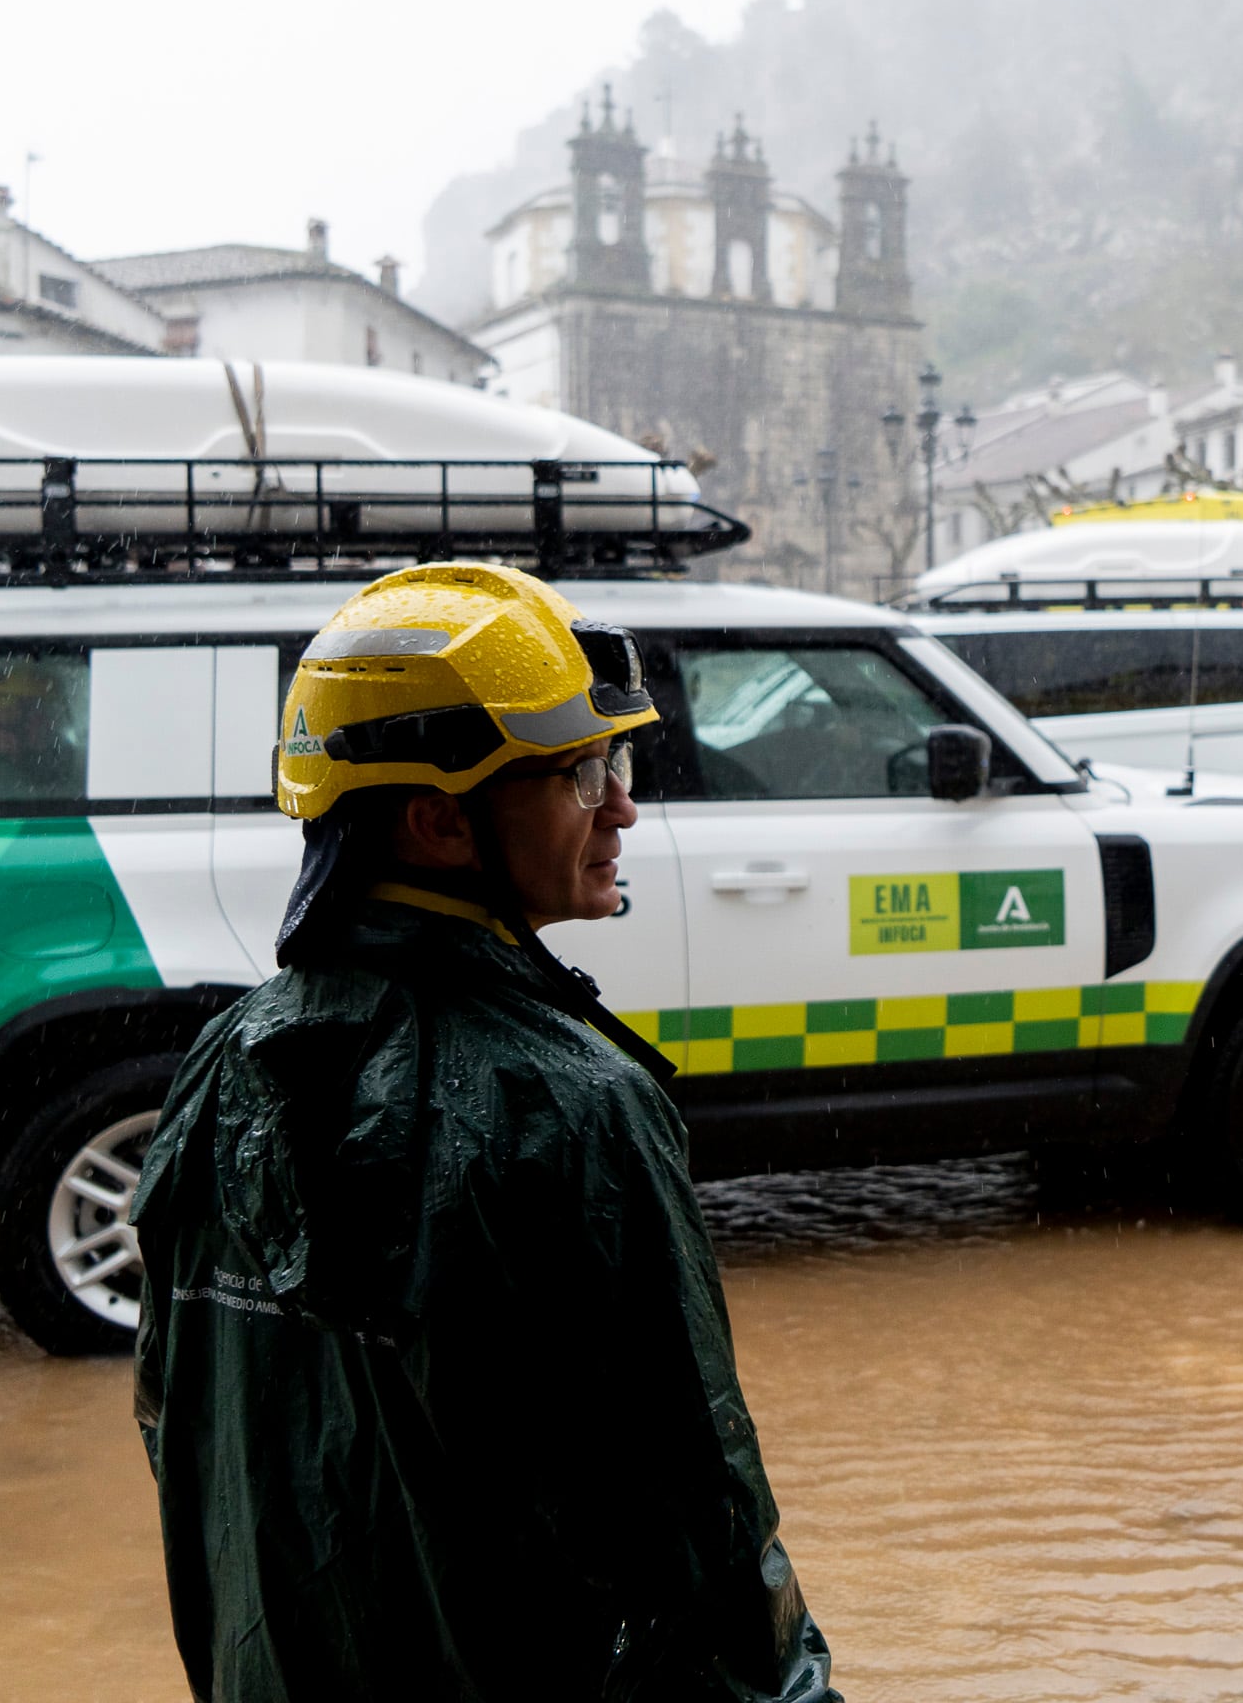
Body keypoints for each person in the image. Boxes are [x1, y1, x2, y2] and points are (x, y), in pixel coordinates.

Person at [131, 562, 837, 1702]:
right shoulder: (574, 1105)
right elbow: (696, 1517)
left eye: (617, 764)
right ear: (436, 821)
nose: (622, 806)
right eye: (580, 773)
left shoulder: (226, 1059)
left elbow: (187, 1435)